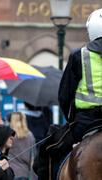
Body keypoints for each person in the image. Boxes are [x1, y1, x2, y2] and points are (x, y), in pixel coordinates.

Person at [34, 8, 102, 180]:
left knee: (49, 150)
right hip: (86, 121)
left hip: (86, 122)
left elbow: (65, 95)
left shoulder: (79, 56)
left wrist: (71, 120)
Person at [8, 112, 37, 180]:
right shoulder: (30, 135)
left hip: (10, 172)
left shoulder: (9, 135)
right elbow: (33, 156)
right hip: (25, 173)